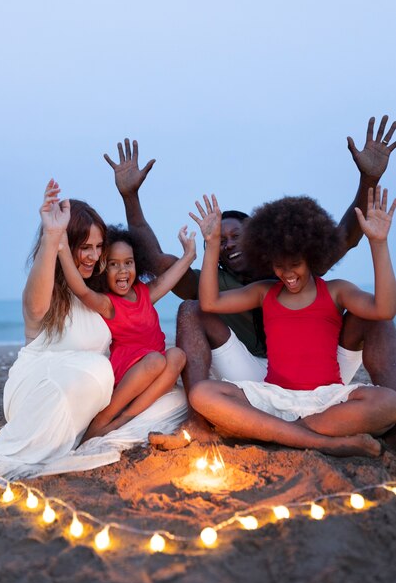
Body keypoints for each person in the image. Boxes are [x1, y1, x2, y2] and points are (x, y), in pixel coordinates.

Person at [104, 116, 396, 448]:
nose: (228, 243)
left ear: (258, 239)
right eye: (222, 239)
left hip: (324, 378)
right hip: (258, 379)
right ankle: (200, 423)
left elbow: (347, 233)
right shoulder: (222, 282)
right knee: (189, 309)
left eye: (235, 236)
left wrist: (369, 179)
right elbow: (157, 262)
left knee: (374, 320)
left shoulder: (296, 266)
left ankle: (376, 427)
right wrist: (131, 198)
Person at [0, 180, 187, 481]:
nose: (92, 255)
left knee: (175, 400)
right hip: (46, 389)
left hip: (96, 394)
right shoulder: (49, 292)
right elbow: (35, 307)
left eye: (98, 247)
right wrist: (52, 237)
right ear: (65, 246)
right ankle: (86, 430)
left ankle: (100, 428)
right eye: (84, 247)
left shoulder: (102, 295)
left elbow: (149, 290)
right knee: (95, 367)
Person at [187, 188, 396, 456]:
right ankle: (325, 442)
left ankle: (280, 433)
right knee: (202, 393)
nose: (287, 274)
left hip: (326, 399)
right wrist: (212, 243)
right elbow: (209, 303)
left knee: (389, 402)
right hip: (274, 397)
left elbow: (384, 310)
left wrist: (378, 243)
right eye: (278, 265)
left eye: (294, 264)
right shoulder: (264, 292)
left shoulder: (336, 291)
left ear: (311, 256)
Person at [58, 218, 196, 441]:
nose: (122, 270)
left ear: (137, 264)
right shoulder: (108, 304)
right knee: (155, 361)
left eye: (128, 263)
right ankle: (105, 419)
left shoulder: (144, 293)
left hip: (157, 366)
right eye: (113, 264)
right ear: (103, 268)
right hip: (130, 372)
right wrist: (63, 250)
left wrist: (189, 255)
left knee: (177, 355)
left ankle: (126, 419)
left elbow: (169, 278)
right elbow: (81, 291)